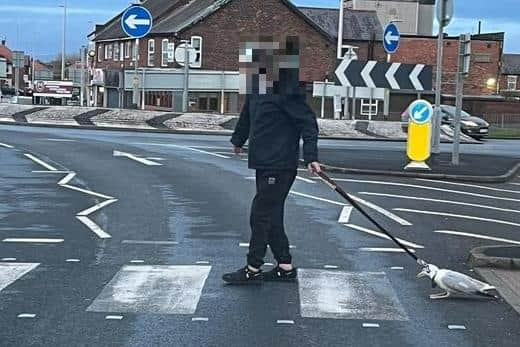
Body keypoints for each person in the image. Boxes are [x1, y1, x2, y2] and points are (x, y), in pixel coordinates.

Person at [222, 36, 321, 284]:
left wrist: (311, 156)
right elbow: (246, 116)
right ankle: (285, 267)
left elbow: (308, 124)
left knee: (260, 214)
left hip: (281, 164)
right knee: (272, 215)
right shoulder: (257, 89)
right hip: (262, 162)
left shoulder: (288, 92)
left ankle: (252, 269)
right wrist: (238, 139)